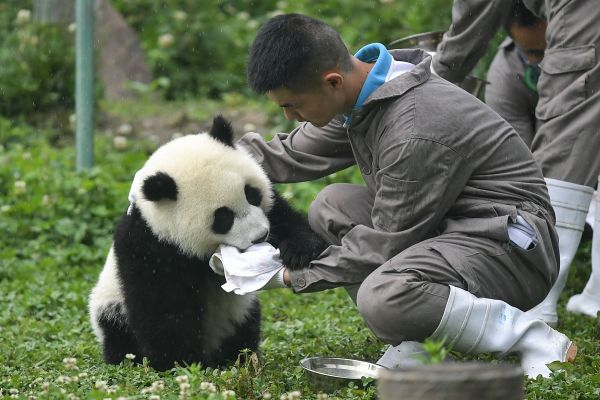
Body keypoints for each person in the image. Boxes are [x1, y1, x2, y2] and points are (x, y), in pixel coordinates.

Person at [238, 13, 576, 378]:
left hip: (510, 248)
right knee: (331, 204)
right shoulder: (365, 95)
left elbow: (379, 248)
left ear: (332, 82)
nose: (291, 117)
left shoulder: (413, 129)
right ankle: (417, 339)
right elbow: (286, 155)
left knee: (383, 297)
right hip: (455, 231)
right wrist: (199, 162)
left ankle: (531, 337)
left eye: (293, 105)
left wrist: (282, 276)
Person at [432, 0, 600, 327]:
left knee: (563, 142)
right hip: (557, 172)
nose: (542, 62)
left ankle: (538, 306)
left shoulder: (573, 29)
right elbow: (521, 165)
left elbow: (474, 11)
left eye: (550, 49)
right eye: (535, 55)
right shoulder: (505, 74)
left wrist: (437, 74)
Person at [485, 0, 545, 147]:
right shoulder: (502, 81)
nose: (550, 59)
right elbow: (522, 160)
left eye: (554, 45)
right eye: (537, 53)